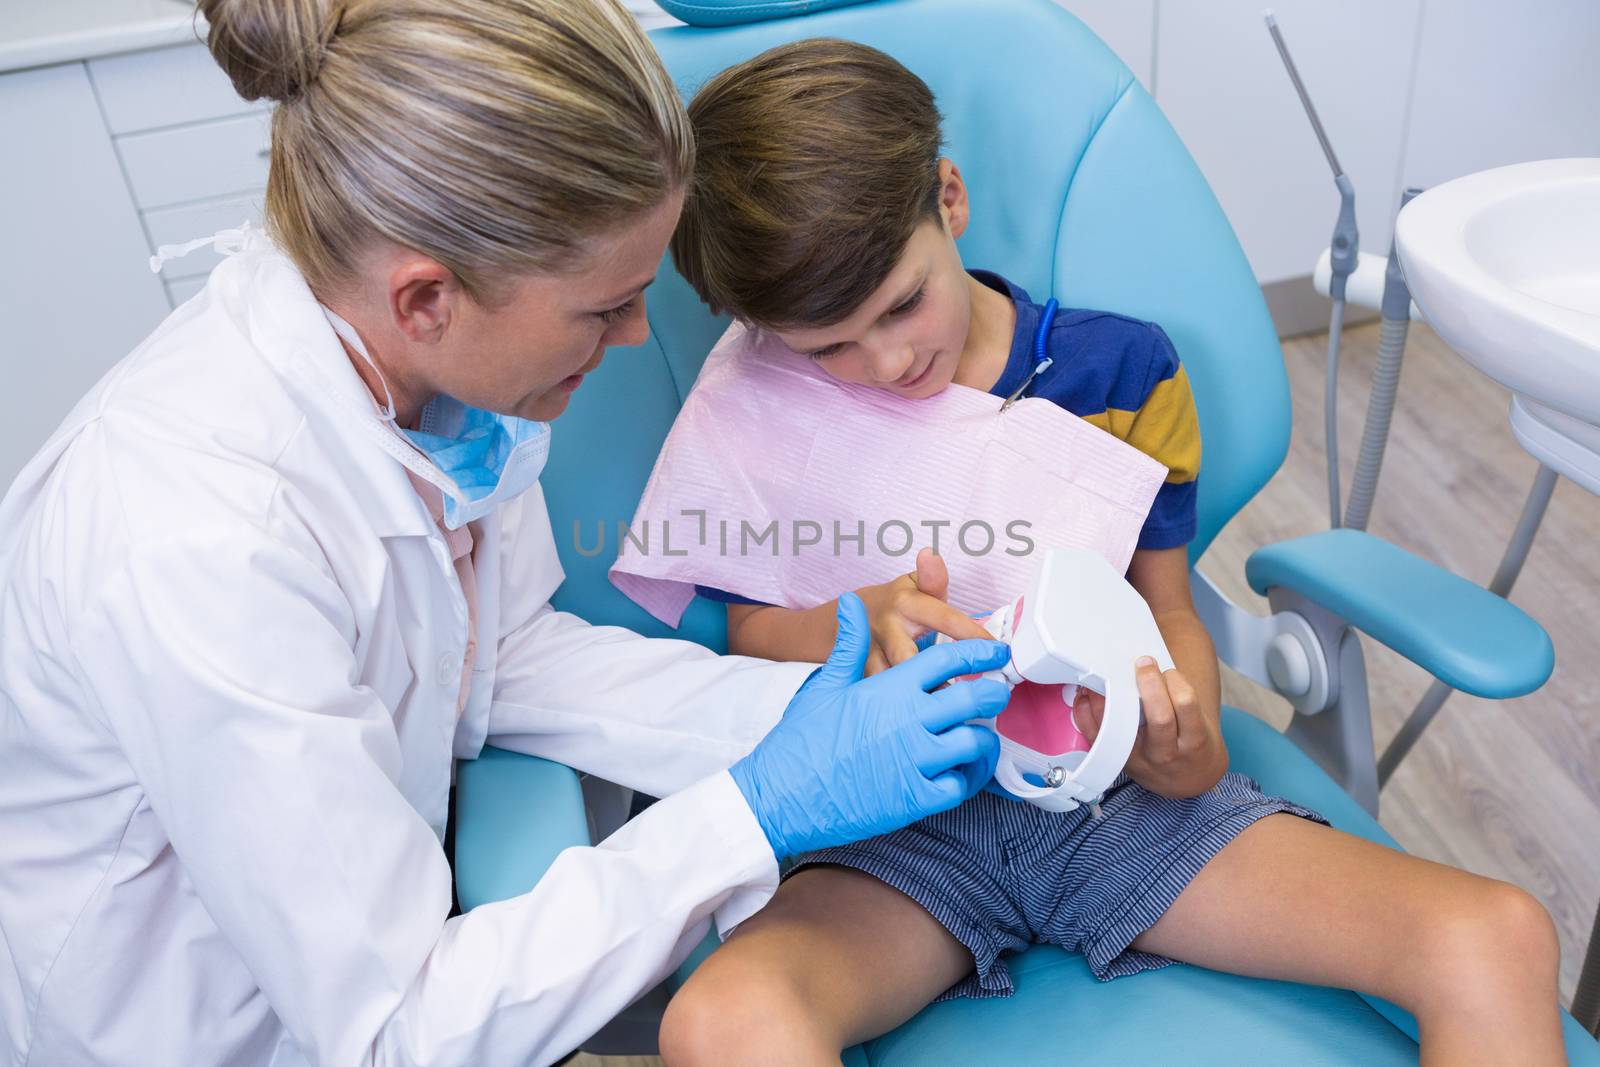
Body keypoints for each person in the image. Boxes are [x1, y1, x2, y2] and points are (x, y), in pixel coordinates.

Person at [0, 6, 1012, 1065]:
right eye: (605, 307)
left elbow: (505, 658)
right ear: (427, 297)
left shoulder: (435, 386)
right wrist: (756, 809)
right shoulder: (196, 543)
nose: (632, 339)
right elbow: (396, 1025)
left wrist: (811, 711)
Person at [654, 39, 1567, 1065]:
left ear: (947, 198)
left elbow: (1165, 603)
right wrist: (866, 620)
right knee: (724, 1017)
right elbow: (752, 632)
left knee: (1491, 935)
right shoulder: (762, 401)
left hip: (1114, 801)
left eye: (902, 304)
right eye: (829, 347)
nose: (887, 361)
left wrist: (1190, 737)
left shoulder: (1118, 371)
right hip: (892, 818)